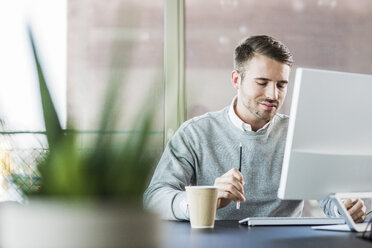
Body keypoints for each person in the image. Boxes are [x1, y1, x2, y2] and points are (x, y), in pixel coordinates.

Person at [143, 35, 367, 222]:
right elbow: (154, 197)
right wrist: (205, 200)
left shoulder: (300, 132)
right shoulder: (195, 133)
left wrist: (344, 209)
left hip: (287, 243)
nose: (273, 95)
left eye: (281, 85)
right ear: (236, 80)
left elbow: (328, 198)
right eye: (262, 83)